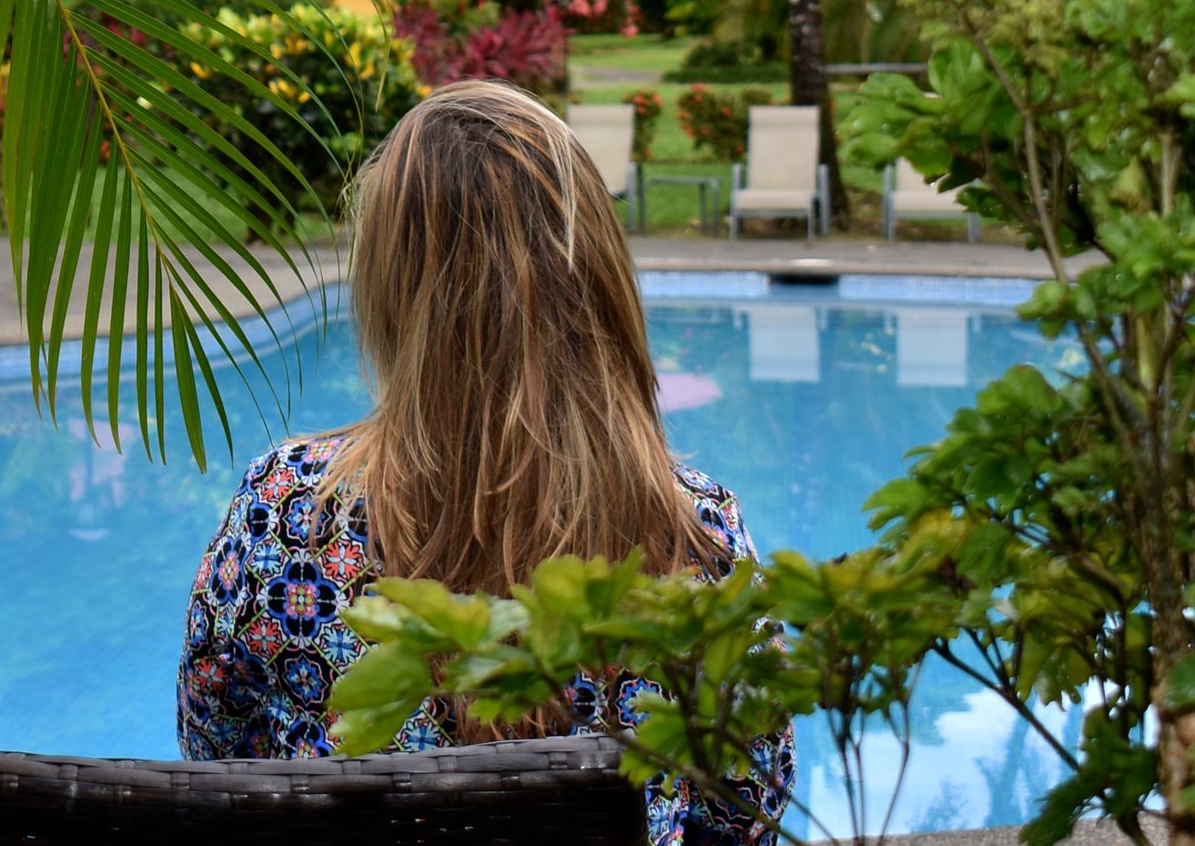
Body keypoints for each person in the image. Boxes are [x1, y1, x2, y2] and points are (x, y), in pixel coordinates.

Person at [176, 79, 793, 845]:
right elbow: (745, 812)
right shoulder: (697, 540)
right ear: (597, 276)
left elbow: (216, 764)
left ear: (395, 288)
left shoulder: (284, 517)